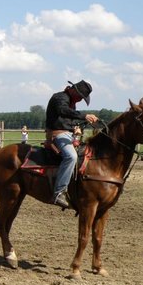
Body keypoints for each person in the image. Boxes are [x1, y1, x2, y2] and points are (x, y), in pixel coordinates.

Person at [45, 80, 98, 208]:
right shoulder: (60, 97)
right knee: (71, 157)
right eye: (80, 96)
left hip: (68, 134)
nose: (80, 99)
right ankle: (59, 192)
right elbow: (62, 111)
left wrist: (75, 127)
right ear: (74, 91)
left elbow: (68, 119)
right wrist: (84, 116)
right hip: (57, 134)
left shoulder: (71, 102)